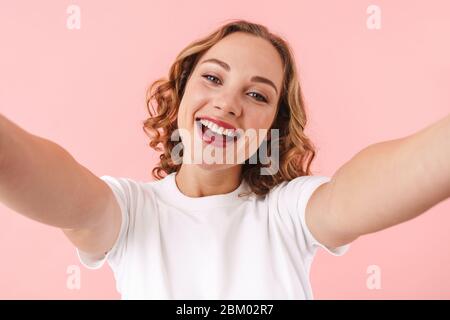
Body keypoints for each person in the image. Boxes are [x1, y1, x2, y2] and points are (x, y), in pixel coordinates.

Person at [0, 19, 449, 300]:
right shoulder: (129, 212)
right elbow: (39, 174)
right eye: (213, 78)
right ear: (180, 94)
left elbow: (367, 187)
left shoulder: (287, 213)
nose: (228, 103)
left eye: (256, 94)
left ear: (273, 126)